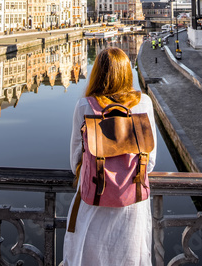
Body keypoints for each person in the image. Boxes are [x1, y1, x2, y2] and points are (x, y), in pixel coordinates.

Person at [62, 47, 158, 266]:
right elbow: (150, 162)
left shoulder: (85, 106)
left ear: (97, 73)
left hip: (93, 202)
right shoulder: (144, 104)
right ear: (127, 74)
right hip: (132, 205)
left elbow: (75, 161)